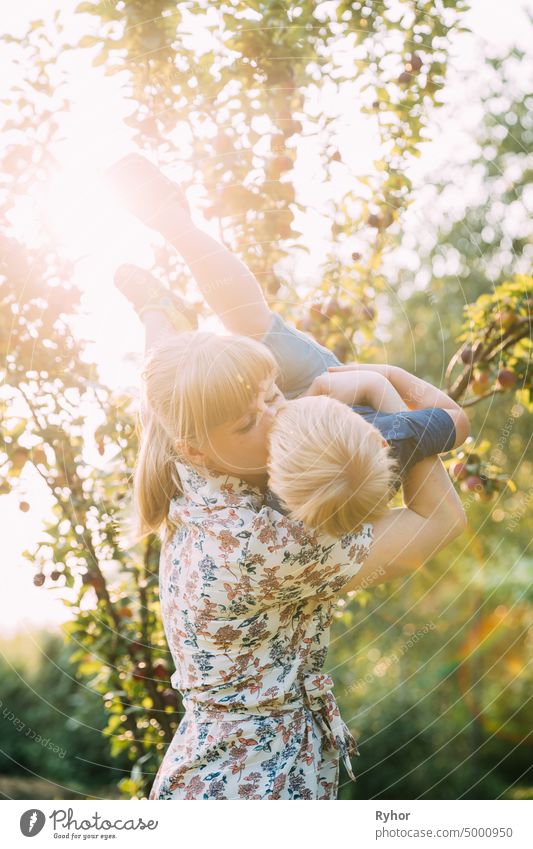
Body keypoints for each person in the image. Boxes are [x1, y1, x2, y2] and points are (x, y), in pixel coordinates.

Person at [108, 155, 468, 800]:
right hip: (257, 781)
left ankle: (159, 303)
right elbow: (441, 521)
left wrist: (177, 237)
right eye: (250, 422)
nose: (276, 419)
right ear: (198, 445)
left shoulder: (186, 444)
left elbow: (220, 335)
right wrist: (384, 392)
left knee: (166, 352)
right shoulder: (269, 542)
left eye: (272, 394)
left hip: (216, 762)